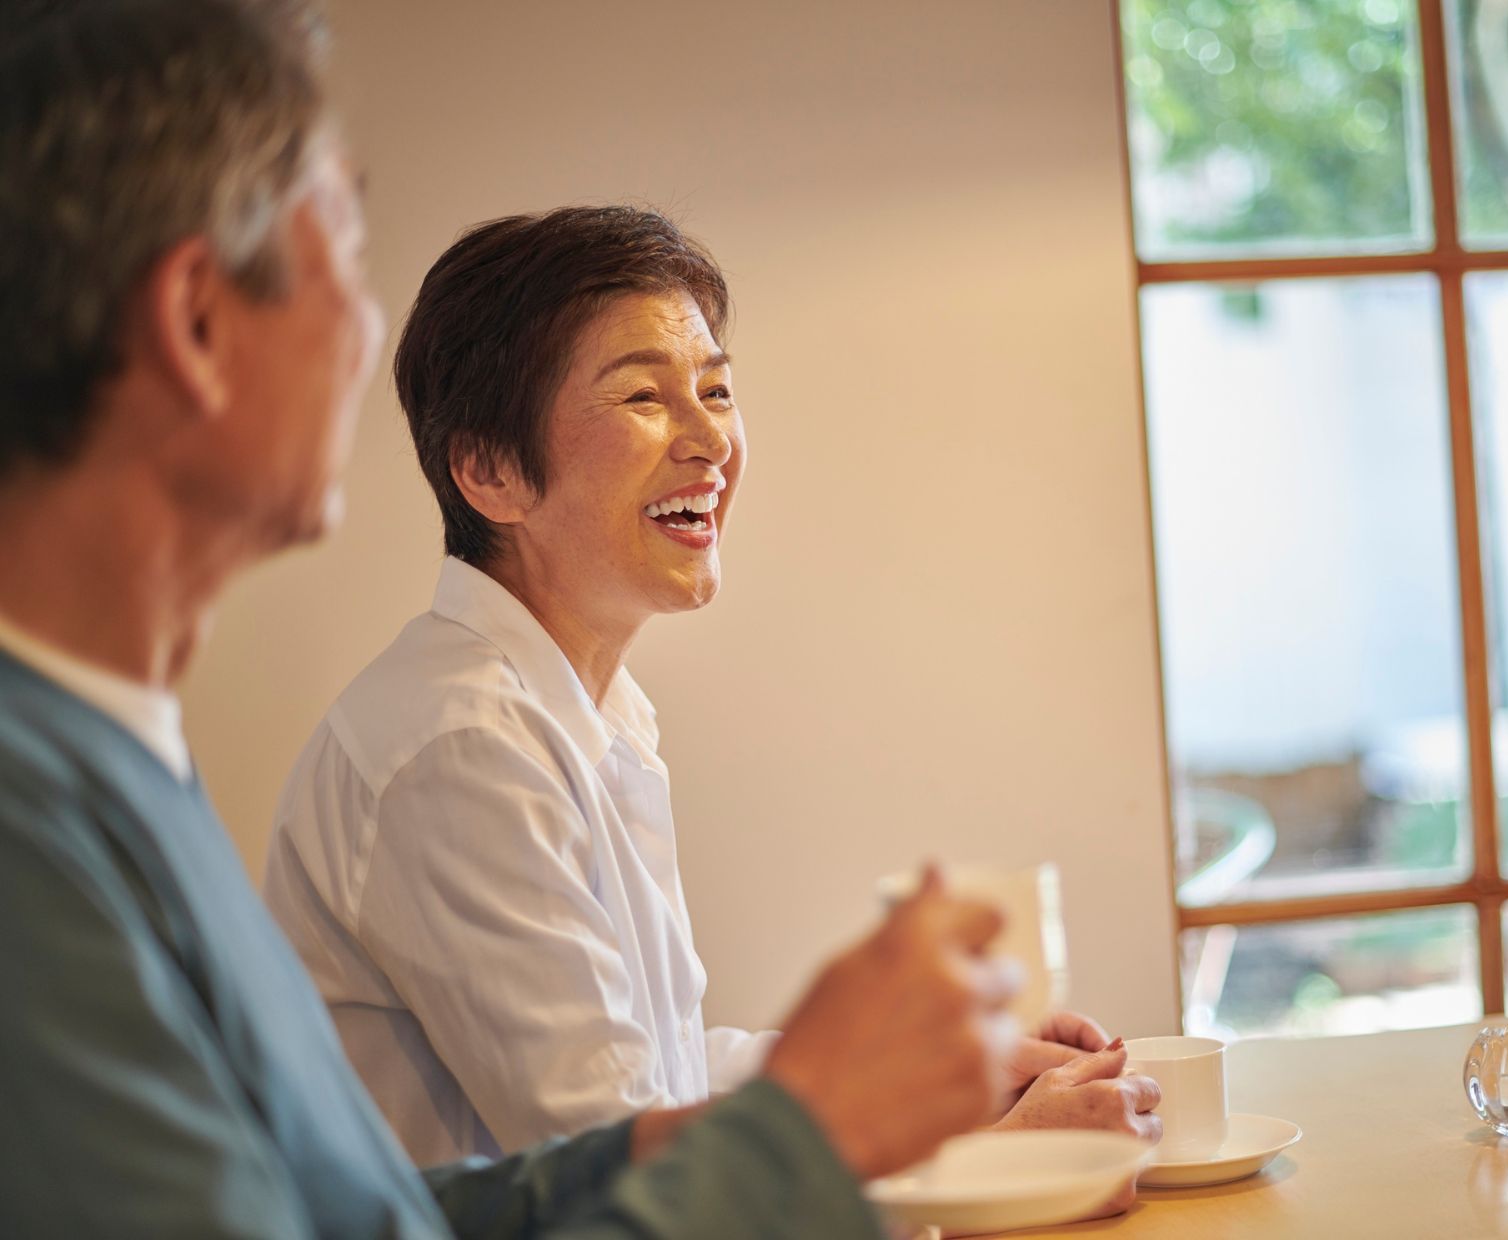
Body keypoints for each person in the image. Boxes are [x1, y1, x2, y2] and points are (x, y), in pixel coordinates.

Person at [0, 2, 1024, 1235]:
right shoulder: (36, 825)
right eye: (342, 233)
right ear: (198, 321)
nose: (371, 328)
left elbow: (360, 1209)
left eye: (713, 389)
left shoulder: (118, 760)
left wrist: (875, 1087)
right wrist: (813, 1124)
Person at [264, 204, 1166, 1164]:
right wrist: (1005, 1154)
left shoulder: (576, 708)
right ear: (489, 470)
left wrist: (958, 1083)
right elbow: (618, 1164)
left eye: (717, 391)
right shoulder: (461, 747)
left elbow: (665, 1071)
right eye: (644, 399)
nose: (709, 442)